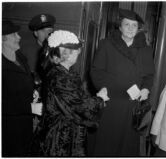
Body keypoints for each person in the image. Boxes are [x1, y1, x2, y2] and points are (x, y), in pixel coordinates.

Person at [32, 30, 110, 157]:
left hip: (68, 132)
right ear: (65, 54)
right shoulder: (60, 77)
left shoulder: (66, 73)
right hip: (59, 137)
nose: (78, 53)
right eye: (76, 50)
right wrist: (100, 99)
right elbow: (79, 106)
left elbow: (76, 98)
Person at [90, 9, 155, 156]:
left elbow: (149, 76)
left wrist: (145, 89)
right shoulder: (106, 44)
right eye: (127, 25)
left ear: (138, 29)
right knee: (107, 142)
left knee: (126, 144)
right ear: (120, 27)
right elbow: (96, 71)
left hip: (132, 104)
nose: (131, 28)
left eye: (134, 25)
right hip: (111, 102)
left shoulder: (145, 49)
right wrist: (104, 88)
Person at [2, 20, 42, 157]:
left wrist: (33, 90)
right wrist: (28, 108)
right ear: (2, 39)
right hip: (9, 128)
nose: (19, 37)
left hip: (24, 123)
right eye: (14, 35)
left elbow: (26, 76)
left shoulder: (19, 55)